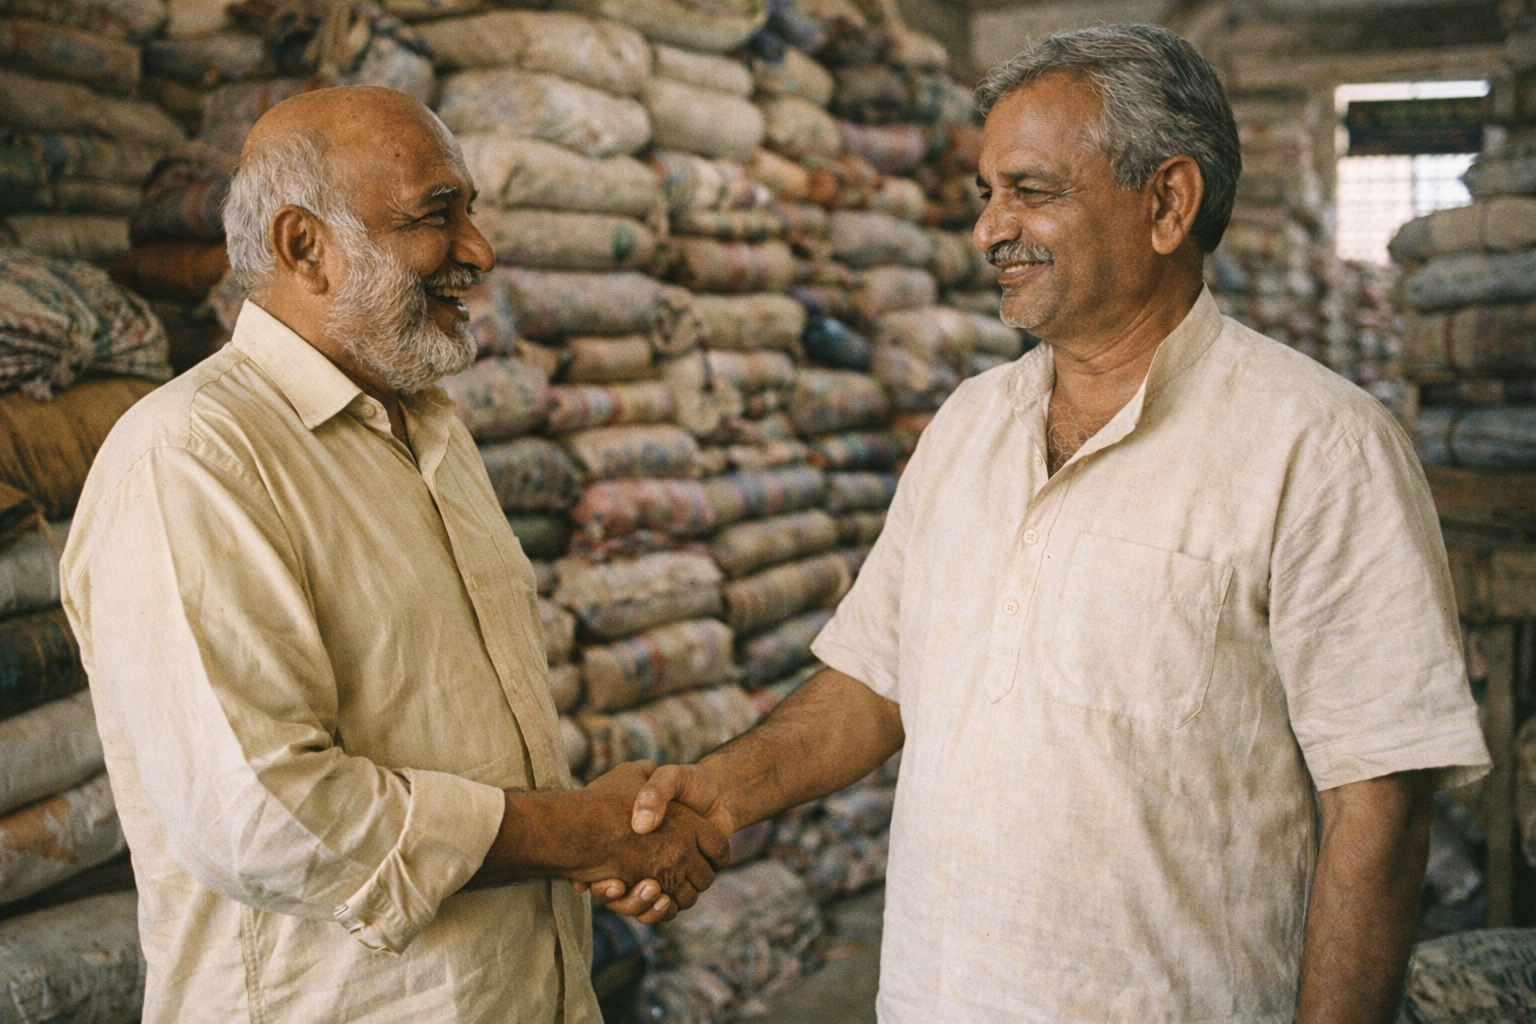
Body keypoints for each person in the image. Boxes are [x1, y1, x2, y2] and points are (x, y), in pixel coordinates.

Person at [615, 25, 1493, 1024]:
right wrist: (719, 793)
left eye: (1030, 191)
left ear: (1167, 203)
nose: (991, 229)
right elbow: (875, 680)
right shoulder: (968, 427)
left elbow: (1378, 806)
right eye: (987, 193)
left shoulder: (1320, 448)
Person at [59, 86, 722, 1024]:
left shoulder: (430, 432)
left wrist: (599, 837)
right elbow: (262, 814)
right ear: (304, 247)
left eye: (472, 213)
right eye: (434, 218)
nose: (479, 253)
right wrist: (578, 832)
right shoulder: (193, 459)